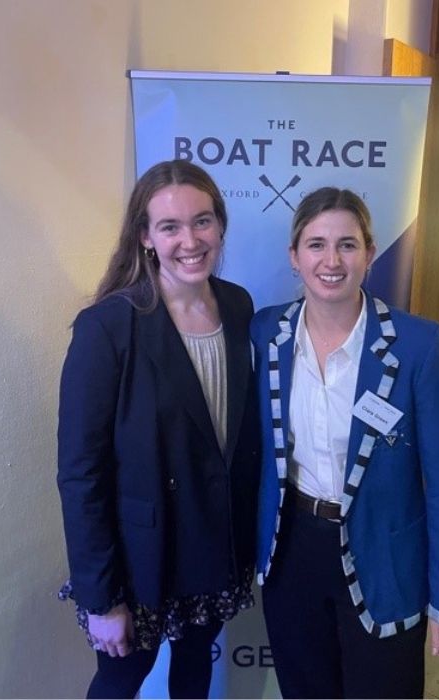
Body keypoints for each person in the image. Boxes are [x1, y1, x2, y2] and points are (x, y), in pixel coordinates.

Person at [251, 187, 439, 698]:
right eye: (316, 244)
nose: (331, 260)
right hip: (292, 553)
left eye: (347, 245)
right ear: (294, 256)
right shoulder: (266, 334)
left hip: (385, 557)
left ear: (370, 254)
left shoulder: (419, 346)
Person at [56, 159, 261, 699]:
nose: (189, 240)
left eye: (202, 221)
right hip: (140, 558)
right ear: (145, 236)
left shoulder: (239, 307)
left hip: (214, 544)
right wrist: (101, 598)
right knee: (120, 684)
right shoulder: (108, 327)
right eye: (170, 226)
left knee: (195, 676)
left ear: (219, 225)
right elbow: (81, 475)